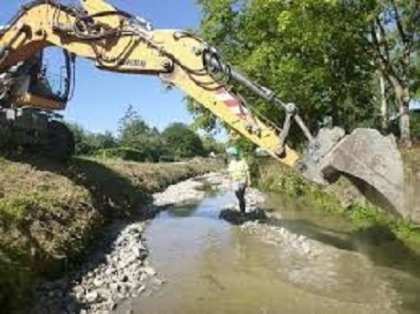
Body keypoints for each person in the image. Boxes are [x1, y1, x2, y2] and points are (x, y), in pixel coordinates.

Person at [227, 148, 251, 213]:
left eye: (236, 155)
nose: (235, 156)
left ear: (238, 155)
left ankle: (242, 211)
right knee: (238, 195)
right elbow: (230, 173)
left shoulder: (243, 161)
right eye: (233, 155)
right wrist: (229, 183)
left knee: (240, 194)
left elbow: (247, 171)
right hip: (235, 181)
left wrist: (249, 180)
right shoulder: (231, 163)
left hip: (242, 180)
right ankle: (242, 203)